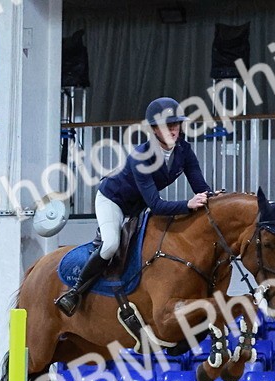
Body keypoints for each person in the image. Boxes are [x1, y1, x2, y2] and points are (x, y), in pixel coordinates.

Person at [55, 96, 213, 316]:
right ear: (155, 129)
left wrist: (214, 199)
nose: (173, 130)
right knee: (111, 245)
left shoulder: (184, 151)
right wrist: (188, 204)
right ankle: (75, 292)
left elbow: (201, 187)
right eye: (167, 125)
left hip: (138, 206)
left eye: (175, 124)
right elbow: (156, 205)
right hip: (113, 200)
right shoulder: (141, 157)